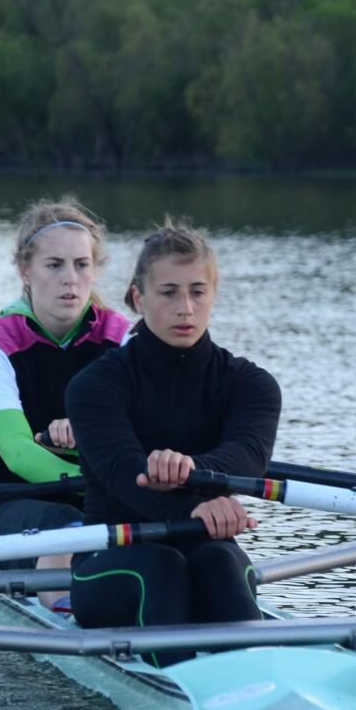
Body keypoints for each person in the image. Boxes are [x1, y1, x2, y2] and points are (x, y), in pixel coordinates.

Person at [65, 219, 281, 667]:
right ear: (138, 298)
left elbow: (247, 460)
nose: (185, 307)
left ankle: (255, 686)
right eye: (168, 292)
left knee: (220, 560)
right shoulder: (95, 385)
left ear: (214, 295)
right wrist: (195, 504)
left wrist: (187, 470)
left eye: (197, 291)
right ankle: (197, 698)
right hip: (111, 558)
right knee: (163, 568)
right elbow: (125, 475)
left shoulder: (252, 385)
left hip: (208, 546)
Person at [0, 197, 129, 612]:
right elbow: (18, 455)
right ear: (26, 272)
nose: (70, 279)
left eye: (81, 264)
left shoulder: (124, 340)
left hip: (102, 499)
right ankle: (69, 613)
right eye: (54, 265)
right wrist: (105, 485)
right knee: (67, 530)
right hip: (2, 505)